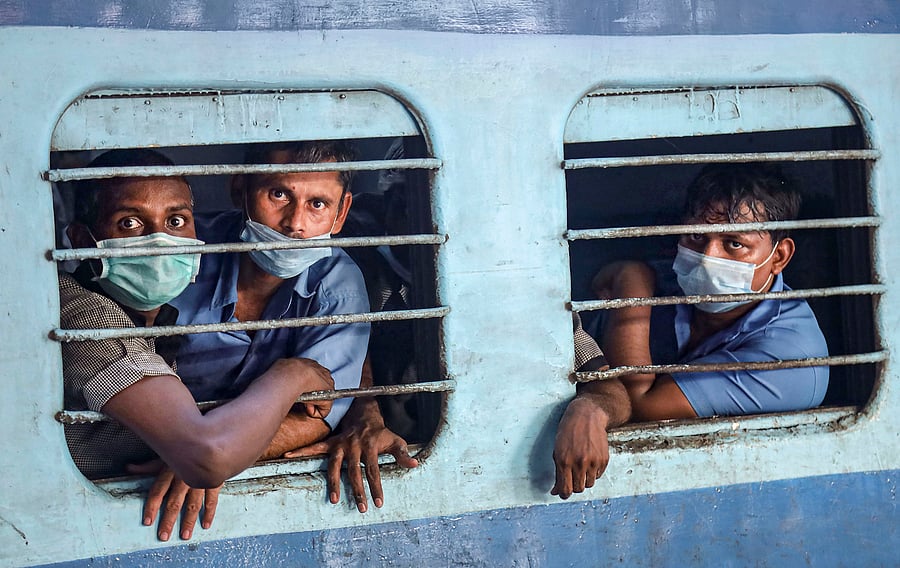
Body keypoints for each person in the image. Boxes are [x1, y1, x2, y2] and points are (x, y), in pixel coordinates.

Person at [60, 149, 336, 540]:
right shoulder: (84, 315)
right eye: (130, 222)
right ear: (81, 240)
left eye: (175, 221)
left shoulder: (160, 320)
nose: (158, 240)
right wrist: (294, 373)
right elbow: (207, 456)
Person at [552, 162, 829, 498]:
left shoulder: (792, 360)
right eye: (697, 236)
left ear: (778, 256)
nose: (707, 258)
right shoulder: (672, 279)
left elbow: (642, 407)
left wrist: (632, 284)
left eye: (734, 244)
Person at [148, 141, 369, 531]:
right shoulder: (183, 254)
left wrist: (209, 457)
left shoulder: (338, 284)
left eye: (318, 204)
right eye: (279, 194)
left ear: (341, 213)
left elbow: (315, 416)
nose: (295, 224)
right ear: (240, 190)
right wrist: (192, 452)